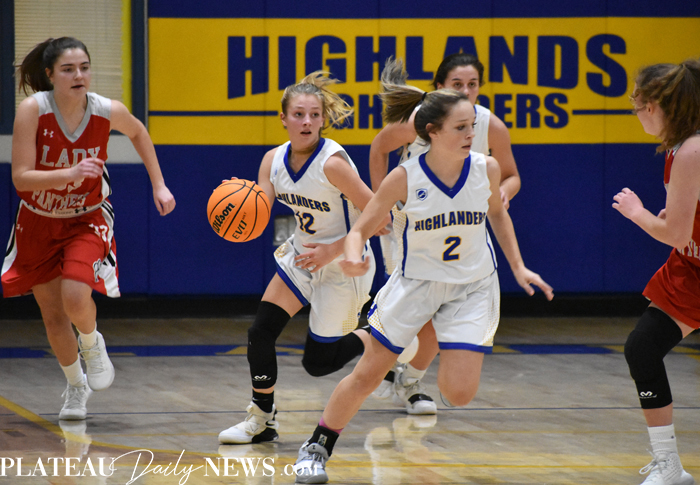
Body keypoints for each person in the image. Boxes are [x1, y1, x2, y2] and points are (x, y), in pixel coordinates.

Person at [293, 58, 553, 484]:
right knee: (366, 375)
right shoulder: (404, 177)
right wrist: (353, 255)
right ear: (432, 132)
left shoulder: (485, 169)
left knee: (458, 394)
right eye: (461, 128)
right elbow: (360, 229)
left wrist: (519, 267)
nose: (471, 134)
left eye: (472, 126)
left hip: (472, 286)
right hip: (416, 283)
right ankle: (317, 446)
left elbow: (497, 214)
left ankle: (411, 377)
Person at [1, 37, 176, 420]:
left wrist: (159, 184)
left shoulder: (106, 110)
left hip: (87, 217)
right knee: (52, 315)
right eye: (68, 69)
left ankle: (92, 342)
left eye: (84, 67)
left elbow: (138, 132)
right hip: (38, 219)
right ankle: (75, 386)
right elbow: (21, 178)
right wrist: (70, 172)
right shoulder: (33, 110)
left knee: (76, 296)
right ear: (50, 75)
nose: (78, 75)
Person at [218, 72, 392, 445]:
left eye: (314, 115)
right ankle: (262, 417)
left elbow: (382, 218)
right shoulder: (272, 161)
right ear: (283, 118)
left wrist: (332, 250)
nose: (307, 122)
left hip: (345, 261)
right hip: (302, 256)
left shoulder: (332, 164)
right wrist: (237, 210)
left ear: (323, 119)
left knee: (318, 363)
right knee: (260, 333)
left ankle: (385, 335)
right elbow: (259, 211)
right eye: (299, 114)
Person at [369, 53, 522, 416]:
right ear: (440, 87)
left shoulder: (490, 126)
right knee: (417, 318)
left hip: (459, 231)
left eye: (473, 84)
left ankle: (408, 379)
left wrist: (503, 192)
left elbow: (512, 176)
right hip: (413, 227)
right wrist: (379, 203)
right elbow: (379, 148)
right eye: (457, 84)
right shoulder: (422, 121)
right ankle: (390, 372)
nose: (466, 91)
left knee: (440, 319)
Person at [613, 59, 700, 485]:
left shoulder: (692, 150)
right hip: (692, 267)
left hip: (690, 257)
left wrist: (638, 213)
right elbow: (684, 227)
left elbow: (675, 234)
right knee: (643, 348)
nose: (636, 112)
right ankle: (669, 467)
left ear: (653, 105)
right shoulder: (681, 148)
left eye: (637, 104)